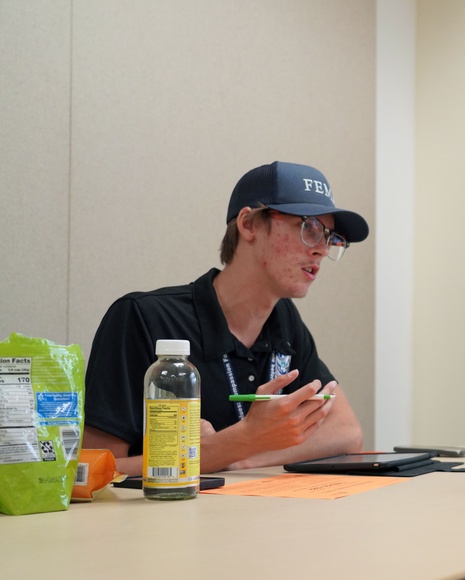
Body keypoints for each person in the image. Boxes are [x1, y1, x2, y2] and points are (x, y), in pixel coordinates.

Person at [83, 161, 366, 474]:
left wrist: (243, 453)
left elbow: (347, 432)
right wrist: (241, 440)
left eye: (329, 237)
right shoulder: (142, 318)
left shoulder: (284, 321)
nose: (322, 250)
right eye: (308, 228)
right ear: (248, 225)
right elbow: (94, 472)